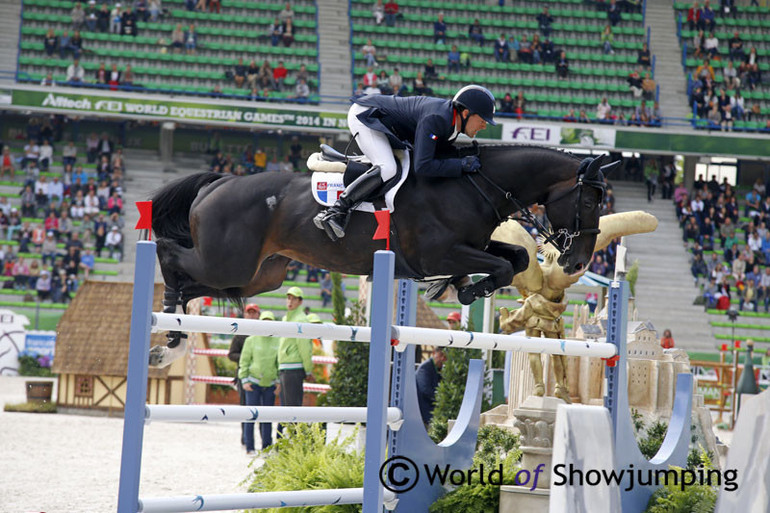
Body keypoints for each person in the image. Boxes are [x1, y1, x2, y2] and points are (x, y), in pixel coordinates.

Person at [313, 85, 496, 240]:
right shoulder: (438, 119)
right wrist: (461, 165)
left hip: (388, 123)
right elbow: (423, 166)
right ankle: (336, 211)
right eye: (481, 120)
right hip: (367, 115)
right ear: (465, 113)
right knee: (388, 168)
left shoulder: (452, 126)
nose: (484, 126)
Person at [239, 310, 279, 454]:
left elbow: (278, 363)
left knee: (267, 419)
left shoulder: (277, 340)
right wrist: (244, 380)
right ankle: (250, 447)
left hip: (270, 385)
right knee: (250, 417)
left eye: (270, 321)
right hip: (253, 384)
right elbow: (244, 361)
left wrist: (278, 382)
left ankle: (266, 448)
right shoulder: (251, 339)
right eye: (264, 321)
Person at [277, 287, 312, 427]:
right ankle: (285, 443)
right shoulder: (286, 318)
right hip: (285, 367)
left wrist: (308, 370)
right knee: (286, 410)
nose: (290, 301)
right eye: (288, 297)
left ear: (300, 301)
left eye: (294, 298)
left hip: (294, 368)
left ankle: (293, 443)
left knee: (292, 410)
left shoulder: (301, 319)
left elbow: (305, 347)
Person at [415, 347, 446, 425]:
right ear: (433, 353)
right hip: (424, 411)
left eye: (445, 357)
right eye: (441, 355)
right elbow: (425, 390)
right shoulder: (424, 368)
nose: (442, 359)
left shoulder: (438, 369)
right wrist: (441, 399)